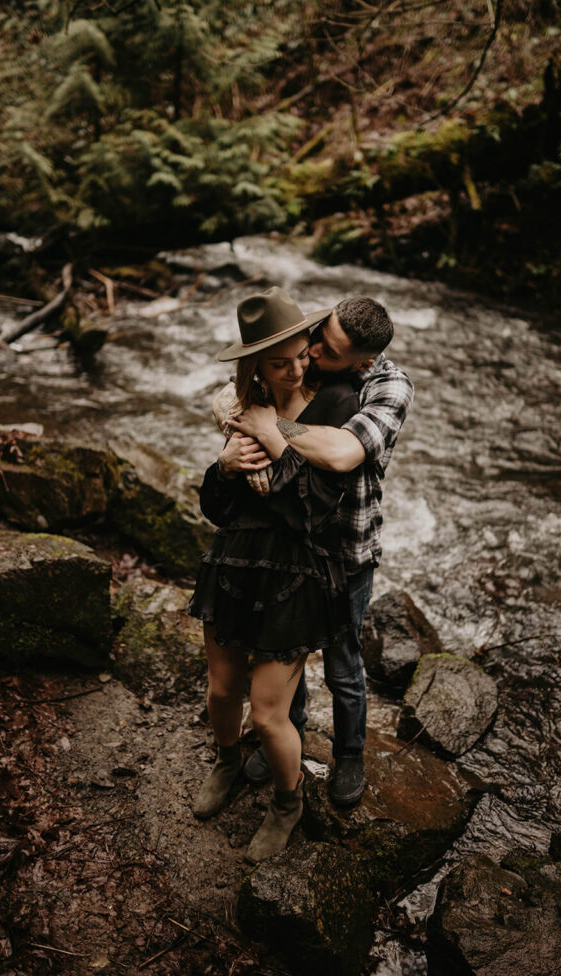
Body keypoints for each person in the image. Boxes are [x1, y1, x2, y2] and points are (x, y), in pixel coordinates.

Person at [188, 286, 361, 862]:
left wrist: (271, 441)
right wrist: (225, 465)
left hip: (296, 572)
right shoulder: (246, 402)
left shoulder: (337, 402)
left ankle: (288, 802)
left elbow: (317, 507)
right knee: (220, 691)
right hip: (234, 562)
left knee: (268, 712)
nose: (295, 368)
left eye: (301, 355)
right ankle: (227, 761)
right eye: (279, 362)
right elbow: (218, 508)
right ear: (256, 364)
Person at [225, 297, 414, 807]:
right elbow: (242, 380)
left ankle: (350, 753)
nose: (308, 352)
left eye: (324, 351)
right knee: (288, 653)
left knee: (342, 662)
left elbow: (341, 451)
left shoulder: (387, 386)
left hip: (347, 551)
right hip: (293, 544)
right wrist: (234, 421)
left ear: (360, 362)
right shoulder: (312, 344)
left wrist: (270, 428)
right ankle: (288, 733)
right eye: (316, 334)